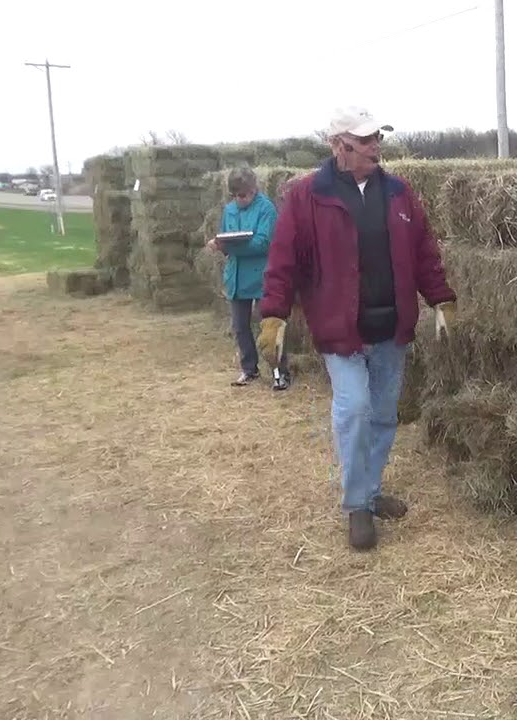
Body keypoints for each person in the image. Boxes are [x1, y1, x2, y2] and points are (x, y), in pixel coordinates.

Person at [257, 107, 457, 551]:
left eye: (376, 139)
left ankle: (369, 491)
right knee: (354, 411)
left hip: (391, 326)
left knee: (384, 415)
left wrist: (440, 298)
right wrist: (274, 312)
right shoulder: (307, 196)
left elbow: (424, 252)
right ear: (338, 146)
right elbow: (283, 259)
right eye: (364, 140)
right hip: (340, 329)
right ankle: (356, 508)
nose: (374, 147)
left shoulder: (399, 193)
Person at [207, 166, 288, 390]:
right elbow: (225, 239)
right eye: (235, 196)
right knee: (240, 326)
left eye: (243, 195)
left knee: (269, 326)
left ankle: (280, 372)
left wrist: (231, 248)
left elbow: (263, 242)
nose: (239, 200)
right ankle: (249, 369)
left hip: (262, 275)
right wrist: (219, 245)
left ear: (254, 190)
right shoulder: (229, 211)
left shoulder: (267, 209)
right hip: (236, 276)